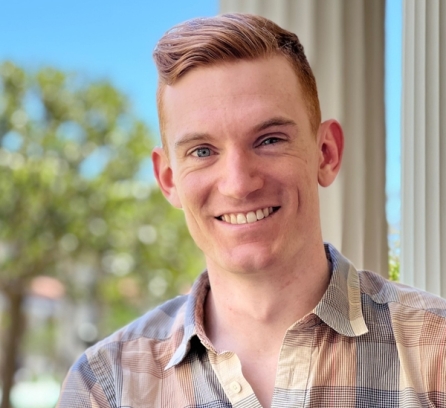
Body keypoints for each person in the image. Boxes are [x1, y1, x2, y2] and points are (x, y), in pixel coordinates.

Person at [57, 13, 446, 408]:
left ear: (326, 154)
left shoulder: (437, 351)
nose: (239, 183)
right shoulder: (106, 386)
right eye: (203, 151)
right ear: (169, 179)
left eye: (270, 139)